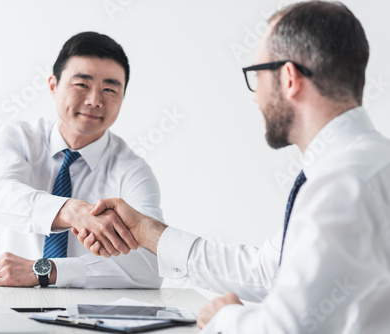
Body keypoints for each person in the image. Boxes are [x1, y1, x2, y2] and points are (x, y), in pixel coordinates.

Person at [74, 2, 390, 332]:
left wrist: (225, 318)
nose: (255, 97)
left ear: (289, 78)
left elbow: (290, 328)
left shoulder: (344, 182)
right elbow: (268, 270)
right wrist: (146, 232)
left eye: (257, 75)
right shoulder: (362, 165)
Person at [0, 31, 164, 289]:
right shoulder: (19, 137)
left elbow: (151, 266)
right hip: (12, 304)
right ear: (53, 86)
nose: (94, 100)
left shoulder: (133, 172)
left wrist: (50, 271)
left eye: (110, 89)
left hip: (89, 318)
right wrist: (72, 212)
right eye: (82, 84)